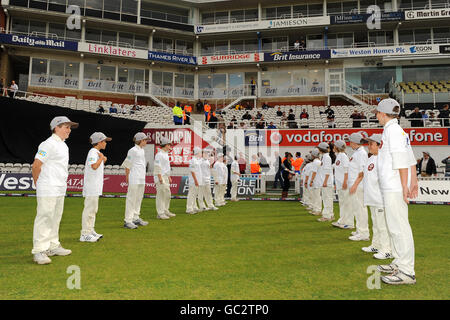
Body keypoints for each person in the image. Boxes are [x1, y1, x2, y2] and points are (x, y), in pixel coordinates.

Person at [374, 98, 418, 285]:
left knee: (399, 228)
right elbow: (410, 158)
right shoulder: (396, 131)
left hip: (394, 187)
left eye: (377, 112)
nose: (376, 115)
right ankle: (400, 263)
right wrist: (413, 181)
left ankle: (407, 271)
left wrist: (404, 187)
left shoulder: (393, 131)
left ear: (383, 114)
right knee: (396, 227)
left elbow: (401, 160)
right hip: (394, 186)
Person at [31, 116, 79, 264]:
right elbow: (36, 165)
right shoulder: (48, 144)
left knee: (56, 217)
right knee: (45, 217)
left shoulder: (64, 145)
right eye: (66, 127)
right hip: (48, 186)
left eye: (70, 127)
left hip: (59, 187)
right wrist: (38, 183)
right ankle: (39, 250)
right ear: (56, 128)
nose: (69, 130)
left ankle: (52, 245)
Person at [360, 134, 393, 260]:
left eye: (371, 144)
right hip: (372, 198)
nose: (369, 146)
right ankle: (376, 245)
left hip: (380, 199)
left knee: (382, 225)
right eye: (368, 144)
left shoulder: (384, 159)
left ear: (380, 145)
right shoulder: (371, 158)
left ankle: (386, 250)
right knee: (375, 224)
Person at [80, 132, 111, 243]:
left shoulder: (95, 152)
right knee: (89, 210)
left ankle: (90, 230)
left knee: (93, 210)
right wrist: (101, 158)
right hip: (91, 187)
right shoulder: (93, 152)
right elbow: (94, 166)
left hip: (95, 187)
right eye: (104, 141)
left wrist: (102, 158)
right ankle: (85, 234)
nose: (106, 143)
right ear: (99, 142)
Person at [122, 132, 149, 229]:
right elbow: (128, 164)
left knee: (138, 198)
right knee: (131, 199)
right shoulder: (132, 150)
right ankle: (128, 220)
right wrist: (127, 176)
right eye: (145, 140)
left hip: (141, 178)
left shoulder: (142, 150)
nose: (146, 141)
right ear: (141, 140)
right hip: (134, 177)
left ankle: (135, 217)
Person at [346, 132, 369, 241]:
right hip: (356, 184)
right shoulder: (357, 153)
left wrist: (355, 185)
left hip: (358, 185)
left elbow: (362, 172)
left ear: (355, 142)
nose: (349, 143)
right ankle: (360, 230)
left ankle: (364, 232)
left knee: (360, 208)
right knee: (357, 208)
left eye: (351, 141)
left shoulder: (361, 153)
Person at [331, 140, 352, 229]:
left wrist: (345, 181)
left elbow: (346, 169)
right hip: (339, 183)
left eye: (334, 146)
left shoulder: (343, 156)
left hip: (344, 183)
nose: (333, 148)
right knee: (342, 203)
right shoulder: (339, 156)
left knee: (347, 203)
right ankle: (342, 220)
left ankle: (349, 222)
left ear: (337, 147)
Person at [154, 137, 175, 220]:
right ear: (166, 145)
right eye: (169, 145)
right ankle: (160, 213)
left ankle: (166, 210)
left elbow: (166, 167)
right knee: (161, 195)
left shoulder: (165, 154)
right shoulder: (159, 155)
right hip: (160, 176)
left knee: (167, 194)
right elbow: (157, 166)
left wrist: (169, 177)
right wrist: (160, 177)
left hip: (165, 176)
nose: (170, 146)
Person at [317, 142, 334, 222]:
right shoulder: (324, 157)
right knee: (327, 199)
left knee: (327, 199)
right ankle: (330, 215)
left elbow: (327, 170)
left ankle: (327, 216)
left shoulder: (326, 158)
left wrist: (325, 181)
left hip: (326, 182)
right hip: (325, 181)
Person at [186, 147, 202, 214]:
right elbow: (192, 171)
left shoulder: (197, 160)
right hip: (194, 181)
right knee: (191, 195)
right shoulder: (193, 160)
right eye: (200, 152)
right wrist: (195, 180)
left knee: (194, 195)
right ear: (197, 153)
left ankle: (194, 207)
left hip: (197, 180)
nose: (201, 154)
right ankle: (189, 208)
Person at [308, 148, 322, 216]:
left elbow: (314, 172)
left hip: (316, 181)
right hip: (318, 181)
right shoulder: (318, 161)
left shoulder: (315, 162)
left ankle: (318, 210)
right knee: (316, 196)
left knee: (317, 196)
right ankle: (316, 209)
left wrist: (311, 181)